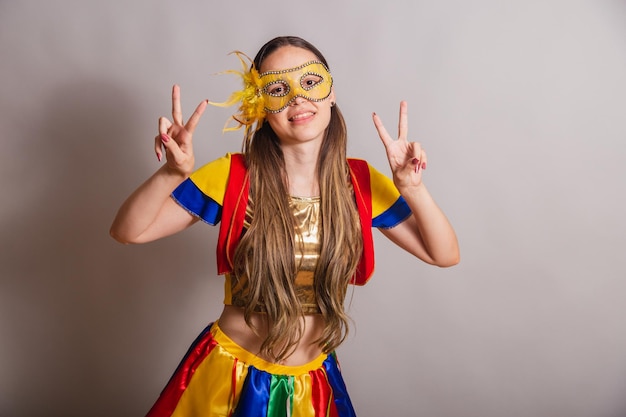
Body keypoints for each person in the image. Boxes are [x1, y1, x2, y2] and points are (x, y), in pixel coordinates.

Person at [110, 35, 459, 417]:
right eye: (277, 88)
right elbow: (129, 231)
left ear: (331, 92)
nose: (297, 98)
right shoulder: (233, 177)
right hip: (230, 381)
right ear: (261, 107)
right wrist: (172, 173)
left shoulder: (360, 182)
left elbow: (444, 254)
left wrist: (413, 188)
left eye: (309, 82)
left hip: (313, 387)